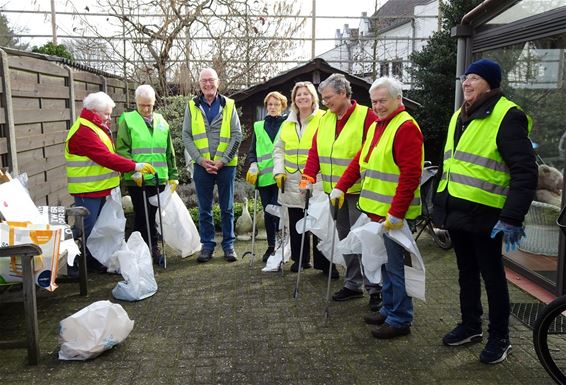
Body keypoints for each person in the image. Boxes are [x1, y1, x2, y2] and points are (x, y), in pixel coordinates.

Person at [433, 59, 537, 363]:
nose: (466, 83)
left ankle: (499, 337)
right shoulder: (459, 116)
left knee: (492, 276)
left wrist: (512, 216)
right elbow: (450, 165)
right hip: (457, 210)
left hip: (488, 214)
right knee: (466, 272)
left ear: (490, 84)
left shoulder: (507, 115)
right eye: (465, 78)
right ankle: (470, 325)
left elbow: (525, 171)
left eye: (474, 78)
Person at [333, 76, 423, 339]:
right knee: (385, 266)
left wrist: (396, 213)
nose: (378, 106)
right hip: (376, 213)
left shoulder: (405, 127)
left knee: (397, 269)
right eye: (374, 102)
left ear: (398, 99)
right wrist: (341, 186)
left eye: (383, 101)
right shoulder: (378, 125)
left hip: (395, 217)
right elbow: (360, 161)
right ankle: (389, 308)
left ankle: (400, 318)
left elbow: (410, 175)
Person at [300, 73, 382, 311]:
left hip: (360, 192)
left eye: (329, 98)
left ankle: (375, 289)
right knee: (346, 240)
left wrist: (344, 185)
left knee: (365, 241)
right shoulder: (325, 119)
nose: (325, 102)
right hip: (334, 194)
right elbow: (315, 150)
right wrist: (308, 176)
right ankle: (353, 284)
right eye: (323, 98)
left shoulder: (367, 116)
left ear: (344, 93)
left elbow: (369, 153)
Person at [65, 91, 155, 273]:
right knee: (85, 230)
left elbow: (109, 156)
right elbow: (105, 158)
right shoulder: (84, 131)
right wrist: (134, 167)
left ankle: (91, 261)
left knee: (96, 230)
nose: (108, 118)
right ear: (93, 111)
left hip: (98, 189)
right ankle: (72, 262)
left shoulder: (94, 126)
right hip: (87, 190)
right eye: (105, 114)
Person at [272, 82, 338, 277]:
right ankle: (300, 260)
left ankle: (325, 263)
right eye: (298, 95)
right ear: (294, 99)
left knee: (319, 220)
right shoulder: (287, 122)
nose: (302, 97)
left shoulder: (325, 118)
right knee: (295, 220)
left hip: (316, 178)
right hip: (292, 179)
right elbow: (279, 149)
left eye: (306, 94)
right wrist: (278, 171)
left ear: (313, 98)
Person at [182, 68, 242, 263]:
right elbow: (186, 135)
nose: (207, 84)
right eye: (203, 81)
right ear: (199, 84)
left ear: (218, 82)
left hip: (226, 166)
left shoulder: (229, 105)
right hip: (202, 166)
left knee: (227, 207)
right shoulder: (192, 106)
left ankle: (228, 245)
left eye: (211, 80)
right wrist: (200, 160)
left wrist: (223, 160)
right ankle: (207, 245)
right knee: (204, 208)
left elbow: (237, 135)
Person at [116, 84, 178, 266]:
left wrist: (174, 175)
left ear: (154, 103)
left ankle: (147, 249)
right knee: (143, 216)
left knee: (153, 215)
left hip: (158, 178)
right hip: (138, 179)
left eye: (149, 105)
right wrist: (132, 169)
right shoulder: (128, 120)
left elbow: (169, 151)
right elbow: (122, 149)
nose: (145, 109)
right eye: (142, 105)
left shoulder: (161, 122)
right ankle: (147, 250)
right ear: (136, 103)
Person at [246, 91, 288, 262]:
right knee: (268, 214)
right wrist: (253, 165)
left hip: (282, 178)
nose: (272, 107)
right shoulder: (258, 126)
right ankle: (271, 246)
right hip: (264, 179)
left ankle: (281, 246)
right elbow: (252, 152)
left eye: (276, 104)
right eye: (270, 104)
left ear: (282, 106)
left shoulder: (288, 124)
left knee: (279, 214)